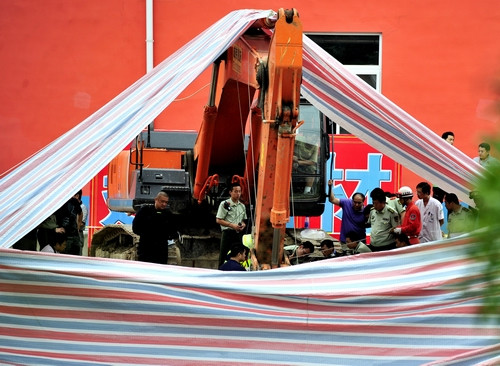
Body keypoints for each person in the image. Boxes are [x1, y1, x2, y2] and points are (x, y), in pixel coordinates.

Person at [132, 191, 177, 264]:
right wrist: (146, 234)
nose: (164, 204)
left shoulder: (168, 214)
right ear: (156, 199)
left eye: (166, 202)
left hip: (161, 250)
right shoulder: (145, 211)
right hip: (146, 248)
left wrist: (167, 236)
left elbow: (173, 231)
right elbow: (136, 227)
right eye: (162, 201)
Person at [328, 179, 366, 252]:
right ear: (352, 200)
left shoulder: (366, 211)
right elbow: (332, 199)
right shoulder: (346, 203)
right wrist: (330, 187)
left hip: (359, 243)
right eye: (354, 202)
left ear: (363, 202)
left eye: (359, 203)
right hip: (345, 241)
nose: (356, 204)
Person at [216, 182, 247, 267]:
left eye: (239, 191)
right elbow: (218, 220)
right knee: (223, 256)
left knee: (239, 255)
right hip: (227, 233)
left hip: (238, 234)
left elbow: (243, 220)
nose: (238, 194)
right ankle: (221, 271)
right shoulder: (225, 204)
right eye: (236, 191)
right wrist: (232, 225)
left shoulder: (242, 206)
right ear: (230, 192)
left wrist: (243, 225)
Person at [433, 132, 455, 202]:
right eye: (450, 139)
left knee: (451, 205)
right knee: (436, 204)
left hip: (449, 183)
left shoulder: (454, 153)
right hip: (438, 183)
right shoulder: (437, 151)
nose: (452, 142)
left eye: (453, 140)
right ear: (443, 140)